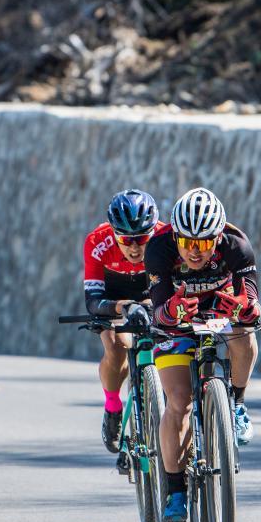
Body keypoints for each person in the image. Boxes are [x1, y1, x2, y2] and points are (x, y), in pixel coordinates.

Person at [144, 187, 261, 522]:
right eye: (188, 242)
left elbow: (253, 304)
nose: (195, 251)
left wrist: (244, 308)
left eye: (205, 242)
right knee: (179, 401)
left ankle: (236, 405)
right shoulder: (159, 248)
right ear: (176, 237)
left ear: (218, 237)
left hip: (220, 311)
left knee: (245, 335)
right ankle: (176, 490)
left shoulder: (236, 245)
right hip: (176, 317)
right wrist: (172, 310)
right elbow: (159, 311)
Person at [82, 189, 163, 459]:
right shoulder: (97, 243)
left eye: (142, 239)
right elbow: (93, 301)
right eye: (126, 240)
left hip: (152, 290)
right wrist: (124, 306)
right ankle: (113, 407)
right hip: (114, 296)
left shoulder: (166, 239)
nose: (134, 248)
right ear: (114, 234)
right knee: (117, 347)